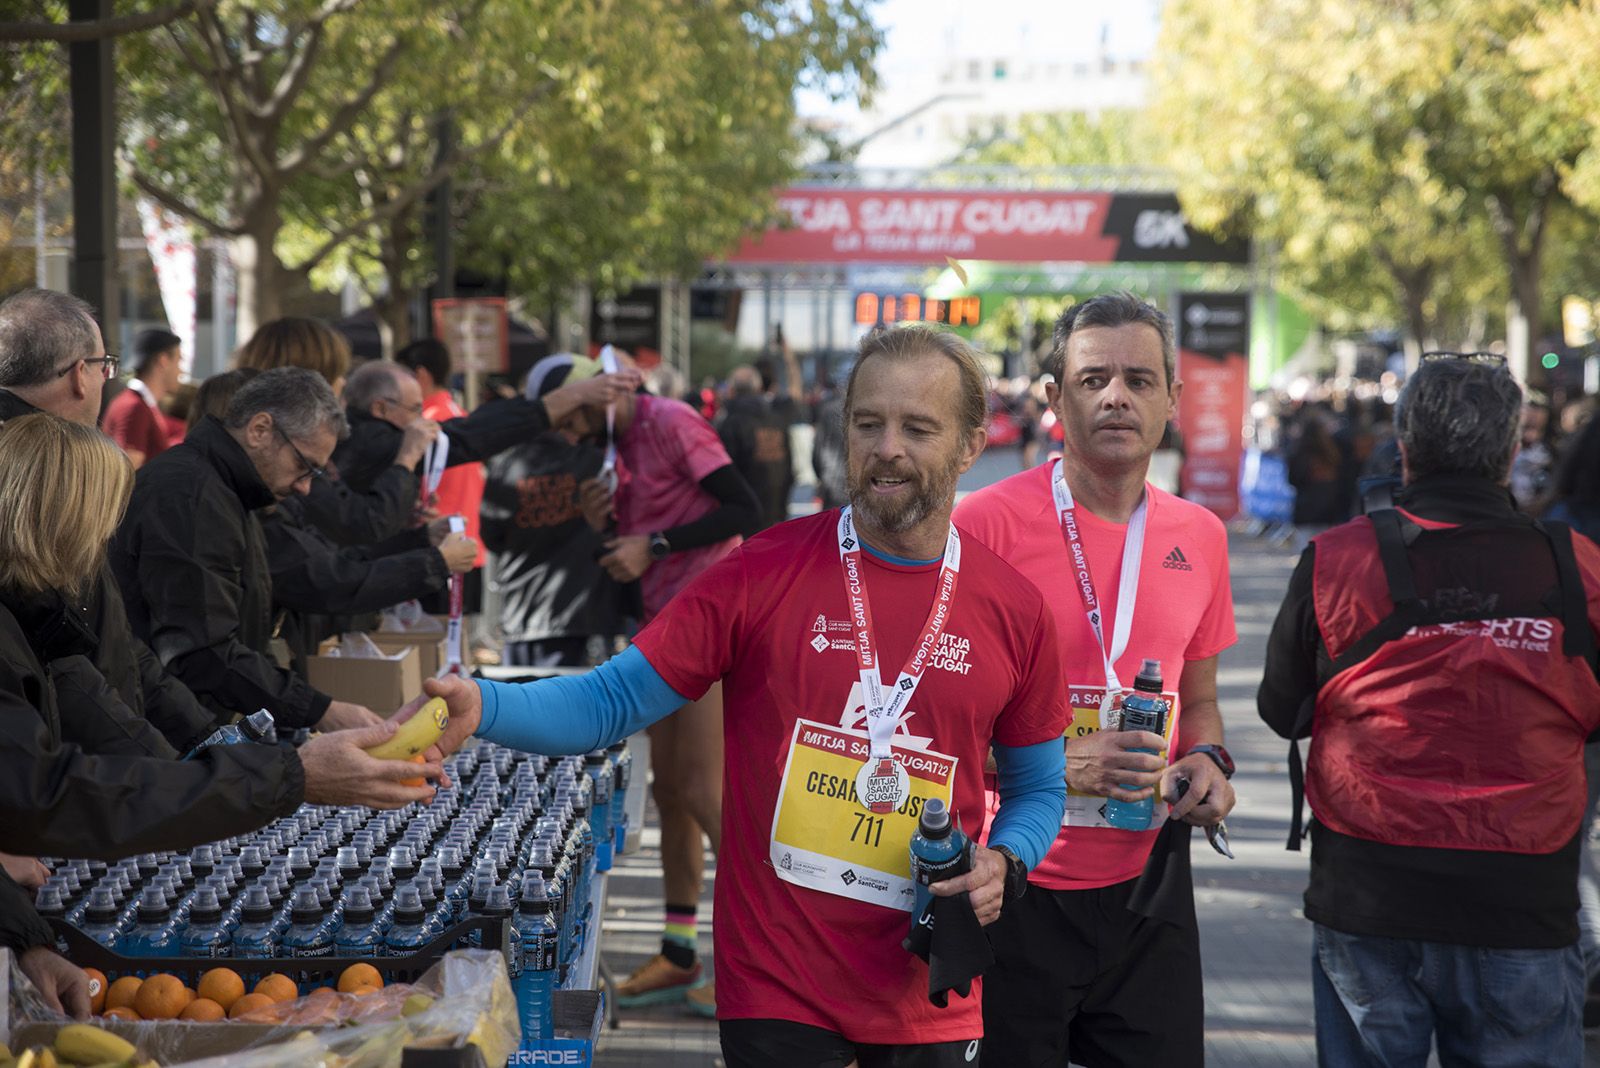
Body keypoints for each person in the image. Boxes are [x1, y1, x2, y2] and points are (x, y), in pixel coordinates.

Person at [420, 324, 1069, 1065]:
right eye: (868, 423)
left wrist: (1006, 863)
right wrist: (483, 705)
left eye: (918, 427)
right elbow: (607, 703)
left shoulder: (1013, 609)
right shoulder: (763, 570)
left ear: (970, 444)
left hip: (930, 988)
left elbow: (1039, 790)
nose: (887, 446)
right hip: (779, 984)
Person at [0, 413, 442, 1014]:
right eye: (100, 523)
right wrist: (282, 775)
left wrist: (25, 937)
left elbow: (115, 690)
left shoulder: (35, 611)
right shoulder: (24, 618)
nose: (104, 544)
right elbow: (45, 789)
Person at [1258, 355, 1600, 1065]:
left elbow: (1282, 709)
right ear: (1512, 451)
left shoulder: (1339, 560)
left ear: (1404, 447)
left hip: (1368, 895)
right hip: (1523, 902)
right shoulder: (1578, 567)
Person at [955, 292, 1237, 1066]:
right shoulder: (981, 527)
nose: (1117, 396)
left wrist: (1208, 762)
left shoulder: (1201, 536)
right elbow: (927, 729)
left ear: (1173, 401)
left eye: (1141, 380)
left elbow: (1202, 702)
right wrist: (1060, 770)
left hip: (1147, 889)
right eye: (1094, 379)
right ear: (1054, 398)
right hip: (1010, 882)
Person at [567, 358, 761, 1011]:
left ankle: (766, 960)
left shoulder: (672, 421)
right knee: (670, 791)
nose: (568, 431)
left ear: (605, 393)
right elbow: (630, 550)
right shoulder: (613, 445)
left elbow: (744, 505)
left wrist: (651, 545)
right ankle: (680, 953)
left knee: (707, 791)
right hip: (662, 627)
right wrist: (604, 525)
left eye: (573, 414)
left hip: (712, 618)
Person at [110, 366, 380, 732]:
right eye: (304, 466)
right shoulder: (195, 495)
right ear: (259, 430)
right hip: (162, 734)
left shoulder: (228, 490)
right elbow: (200, 650)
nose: (304, 488)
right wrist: (317, 711)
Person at [480, 355, 627, 668]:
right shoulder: (601, 459)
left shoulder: (508, 460)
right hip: (585, 620)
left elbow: (491, 535)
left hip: (524, 618)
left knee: (524, 710)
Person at [717, 364, 795, 530]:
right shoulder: (777, 420)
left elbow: (725, 475)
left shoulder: (730, 423)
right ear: (759, 388)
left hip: (742, 519)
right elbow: (788, 467)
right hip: (774, 513)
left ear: (731, 390)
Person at [101, 327, 182, 467]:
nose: (181, 370)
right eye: (178, 361)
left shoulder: (138, 404)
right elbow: (127, 471)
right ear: (163, 361)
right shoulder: (133, 406)